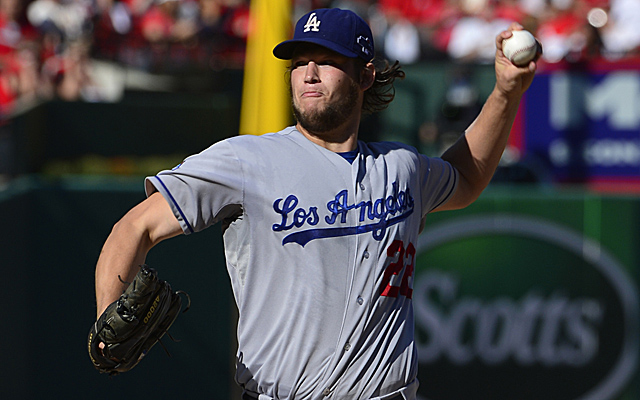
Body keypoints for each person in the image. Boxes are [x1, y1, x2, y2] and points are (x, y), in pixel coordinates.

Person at [93, 7, 538, 400]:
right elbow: (135, 228)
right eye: (300, 62)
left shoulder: (401, 167)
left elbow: (465, 177)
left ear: (365, 76)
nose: (308, 73)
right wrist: (106, 322)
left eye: (326, 62)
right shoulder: (247, 160)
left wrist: (505, 93)